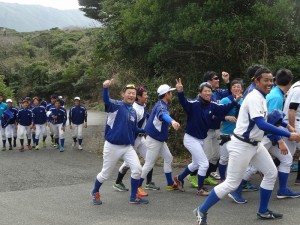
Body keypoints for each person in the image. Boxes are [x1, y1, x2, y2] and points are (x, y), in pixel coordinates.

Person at [194, 67, 300, 224]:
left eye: (271, 80)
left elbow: (271, 117)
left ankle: (263, 211)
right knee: (231, 184)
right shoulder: (254, 98)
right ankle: (201, 210)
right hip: (242, 145)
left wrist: (287, 125)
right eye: (266, 80)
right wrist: (287, 134)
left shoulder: (263, 97)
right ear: (256, 81)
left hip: (255, 144)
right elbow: (261, 124)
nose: (269, 83)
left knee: (271, 173)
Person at [174, 79, 242, 196]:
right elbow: (183, 102)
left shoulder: (213, 105)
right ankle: (200, 189)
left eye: (209, 91)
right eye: (205, 91)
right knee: (204, 163)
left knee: (196, 164)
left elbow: (224, 108)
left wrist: (235, 101)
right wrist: (180, 91)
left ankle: (179, 178)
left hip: (201, 138)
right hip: (190, 138)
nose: (208, 93)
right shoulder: (194, 104)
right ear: (200, 92)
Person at [91, 80, 148, 205]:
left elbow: (134, 129)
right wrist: (105, 87)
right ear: (123, 94)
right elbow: (106, 100)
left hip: (127, 147)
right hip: (112, 146)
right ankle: (95, 191)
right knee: (105, 174)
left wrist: (145, 130)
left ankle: (133, 197)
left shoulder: (133, 111)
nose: (131, 95)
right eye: (129, 93)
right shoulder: (115, 106)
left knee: (138, 170)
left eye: (133, 93)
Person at [188, 71, 231, 188]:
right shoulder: (202, 97)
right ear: (208, 81)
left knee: (216, 156)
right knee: (204, 158)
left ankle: (206, 177)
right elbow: (209, 114)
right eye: (216, 78)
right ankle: (192, 176)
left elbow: (231, 93)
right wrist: (225, 117)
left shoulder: (217, 92)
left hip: (216, 129)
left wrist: (227, 81)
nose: (218, 80)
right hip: (206, 130)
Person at [113, 86, 160, 193]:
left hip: (141, 138)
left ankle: (148, 183)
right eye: (145, 95)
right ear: (139, 97)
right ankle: (117, 183)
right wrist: (143, 131)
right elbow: (131, 128)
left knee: (150, 159)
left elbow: (147, 117)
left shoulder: (143, 105)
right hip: (134, 139)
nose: (147, 96)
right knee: (127, 163)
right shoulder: (134, 109)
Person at [138, 84, 180, 195]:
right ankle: (137, 186)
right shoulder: (161, 106)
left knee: (168, 158)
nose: (171, 94)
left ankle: (170, 183)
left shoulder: (162, 104)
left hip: (158, 139)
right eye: (170, 92)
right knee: (149, 163)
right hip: (154, 139)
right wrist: (172, 121)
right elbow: (163, 115)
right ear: (166, 94)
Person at [282, 71, 300, 185]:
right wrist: (292, 130)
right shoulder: (298, 89)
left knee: (287, 156)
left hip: (289, 122)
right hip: (293, 123)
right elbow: (291, 110)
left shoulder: (295, 86)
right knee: (285, 156)